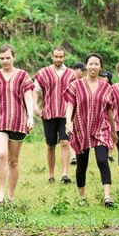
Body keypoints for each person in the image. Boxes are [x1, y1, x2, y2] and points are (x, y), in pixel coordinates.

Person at [0, 44, 35, 203]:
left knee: (13, 161)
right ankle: (0, 193)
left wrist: (30, 116)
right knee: (2, 154)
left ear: (14, 57)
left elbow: (28, 97)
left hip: (18, 121)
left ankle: (11, 196)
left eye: (8, 58)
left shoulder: (23, 76)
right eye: (2, 58)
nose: (5, 61)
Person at [65, 53, 117, 206]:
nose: (93, 67)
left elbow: (109, 111)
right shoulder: (76, 85)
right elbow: (70, 105)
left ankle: (107, 196)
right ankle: (81, 197)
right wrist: (68, 122)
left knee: (102, 160)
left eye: (96, 64)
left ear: (100, 67)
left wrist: (113, 131)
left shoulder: (106, 87)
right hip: (81, 129)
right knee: (82, 164)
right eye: (91, 63)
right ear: (86, 65)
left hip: (101, 128)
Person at [33, 46, 77, 184]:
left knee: (65, 142)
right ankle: (51, 175)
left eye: (61, 57)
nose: (58, 59)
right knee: (51, 145)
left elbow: (76, 93)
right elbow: (36, 90)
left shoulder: (71, 74)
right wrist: (35, 106)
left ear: (65, 57)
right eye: (56, 56)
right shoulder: (43, 73)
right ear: (52, 56)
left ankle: (65, 174)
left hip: (65, 114)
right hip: (49, 113)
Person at [68, 62, 86, 165]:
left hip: (81, 111)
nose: (83, 72)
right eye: (81, 70)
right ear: (76, 70)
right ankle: (73, 155)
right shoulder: (69, 80)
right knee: (70, 133)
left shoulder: (84, 82)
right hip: (70, 110)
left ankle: (79, 151)